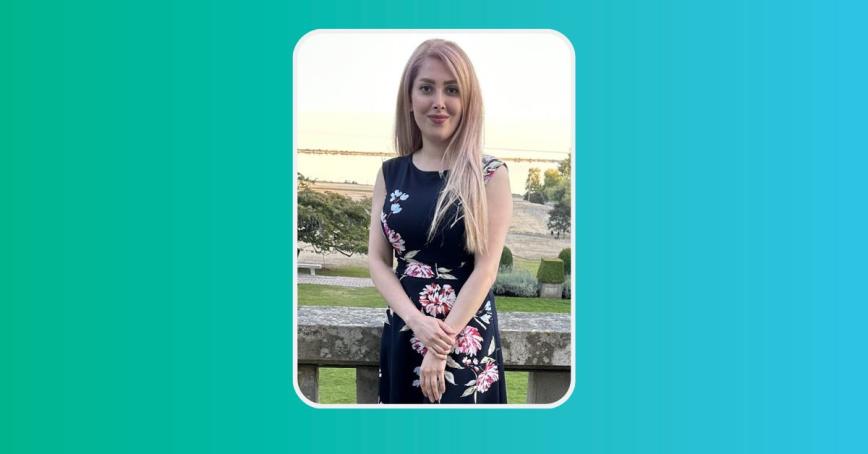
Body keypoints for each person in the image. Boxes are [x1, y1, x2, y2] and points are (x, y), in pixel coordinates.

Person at [367, 39, 513, 404]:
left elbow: (486, 270)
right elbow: (378, 262)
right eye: (426, 88)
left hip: (465, 339)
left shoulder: (489, 175)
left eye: (452, 90)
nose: (439, 102)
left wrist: (439, 345)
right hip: (405, 332)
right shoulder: (390, 174)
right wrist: (416, 323)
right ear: (409, 98)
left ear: (468, 101)